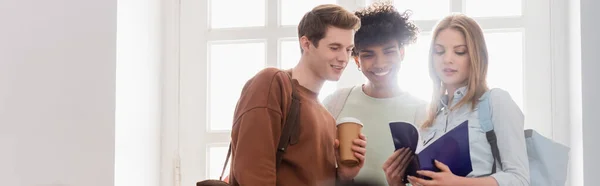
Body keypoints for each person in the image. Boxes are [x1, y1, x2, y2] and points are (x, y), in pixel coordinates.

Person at [228, 4, 367, 186]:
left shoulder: (328, 119)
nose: (343, 58)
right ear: (306, 43)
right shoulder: (273, 83)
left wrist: (343, 176)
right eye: (334, 47)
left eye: (348, 49)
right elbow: (253, 171)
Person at [406, 14, 530, 186]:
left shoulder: (495, 101)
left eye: (460, 52)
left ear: (475, 57)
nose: (447, 59)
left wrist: (457, 183)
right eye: (439, 51)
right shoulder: (429, 117)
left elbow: (519, 179)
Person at [322, 2, 425, 186]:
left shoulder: (423, 112)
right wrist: (343, 176)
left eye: (389, 52)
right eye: (368, 55)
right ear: (356, 60)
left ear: (402, 53)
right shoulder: (335, 104)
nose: (380, 63)